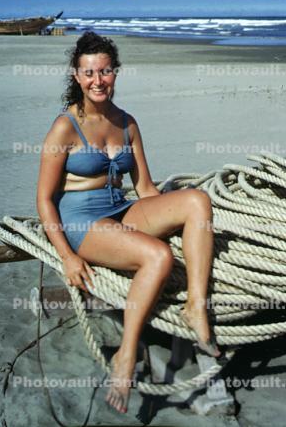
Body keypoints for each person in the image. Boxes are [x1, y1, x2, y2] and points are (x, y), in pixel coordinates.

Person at [36, 31, 221, 415]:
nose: (98, 80)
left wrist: (177, 207)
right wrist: (68, 257)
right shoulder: (64, 127)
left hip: (120, 208)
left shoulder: (127, 123)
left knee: (198, 202)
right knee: (157, 257)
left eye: (105, 71)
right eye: (89, 73)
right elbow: (44, 199)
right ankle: (125, 355)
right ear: (76, 75)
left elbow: (146, 188)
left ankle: (195, 308)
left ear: (115, 73)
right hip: (80, 220)